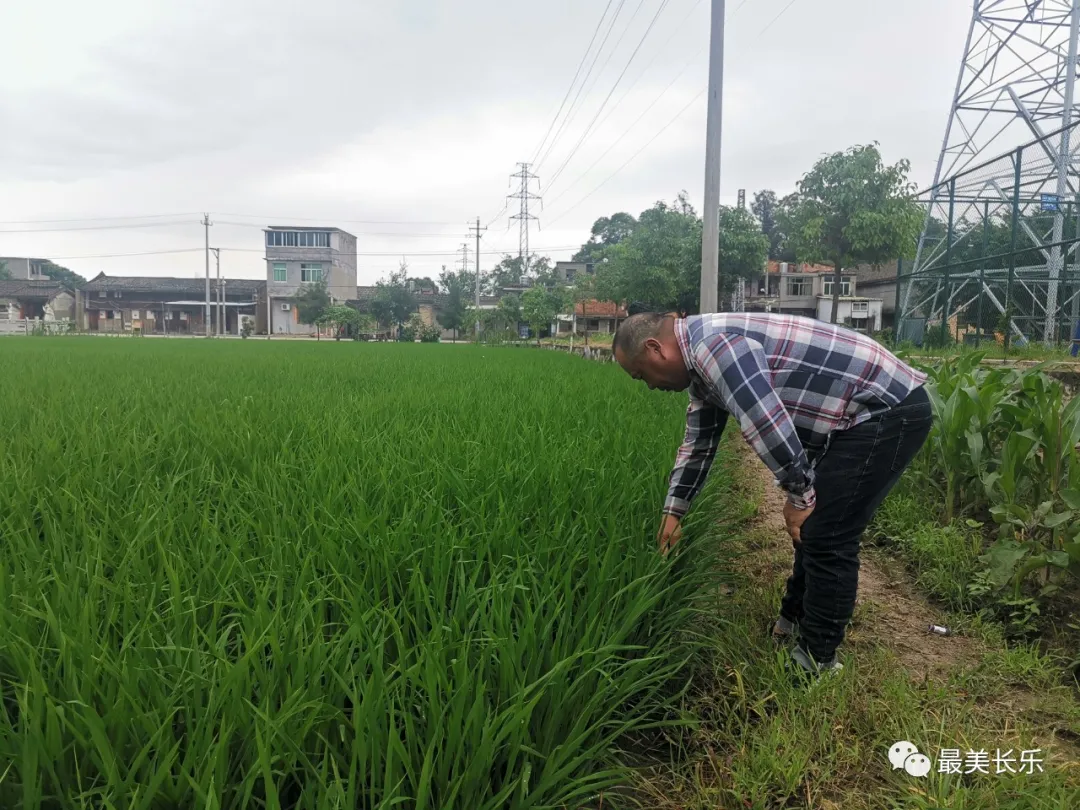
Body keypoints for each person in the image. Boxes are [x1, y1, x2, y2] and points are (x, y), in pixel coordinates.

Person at [612, 311, 933, 677]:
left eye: (641, 375)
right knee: (813, 528)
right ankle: (793, 621)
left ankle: (816, 663)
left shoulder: (715, 347)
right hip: (854, 416)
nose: (649, 386)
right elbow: (699, 444)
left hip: (886, 409)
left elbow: (766, 423)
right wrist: (674, 512)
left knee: (828, 533)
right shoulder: (701, 367)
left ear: (655, 348)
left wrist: (800, 497)